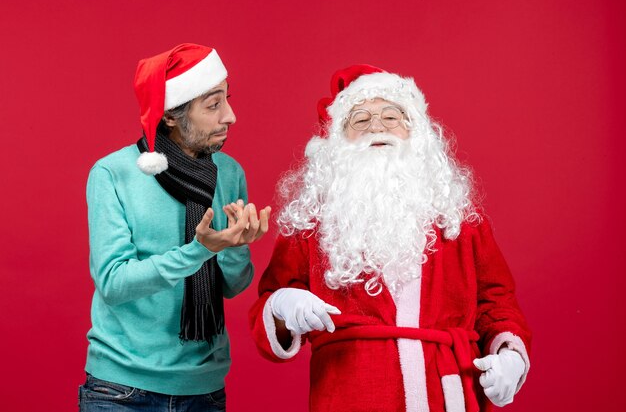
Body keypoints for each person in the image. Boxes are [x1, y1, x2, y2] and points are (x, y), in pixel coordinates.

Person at [249, 65, 530, 412]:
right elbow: (267, 312)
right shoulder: (313, 222)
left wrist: (509, 355)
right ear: (338, 140)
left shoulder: (458, 216)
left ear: (416, 131)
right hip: (352, 396)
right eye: (361, 120)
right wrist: (282, 308)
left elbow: (496, 302)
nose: (377, 127)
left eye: (391, 116)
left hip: (447, 392)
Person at [80, 43, 270, 412]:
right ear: (171, 116)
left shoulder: (229, 173)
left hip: (205, 388)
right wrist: (201, 250)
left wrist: (234, 246)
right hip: (122, 390)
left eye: (226, 100)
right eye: (213, 105)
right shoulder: (113, 173)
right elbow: (115, 283)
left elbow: (233, 286)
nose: (230, 116)